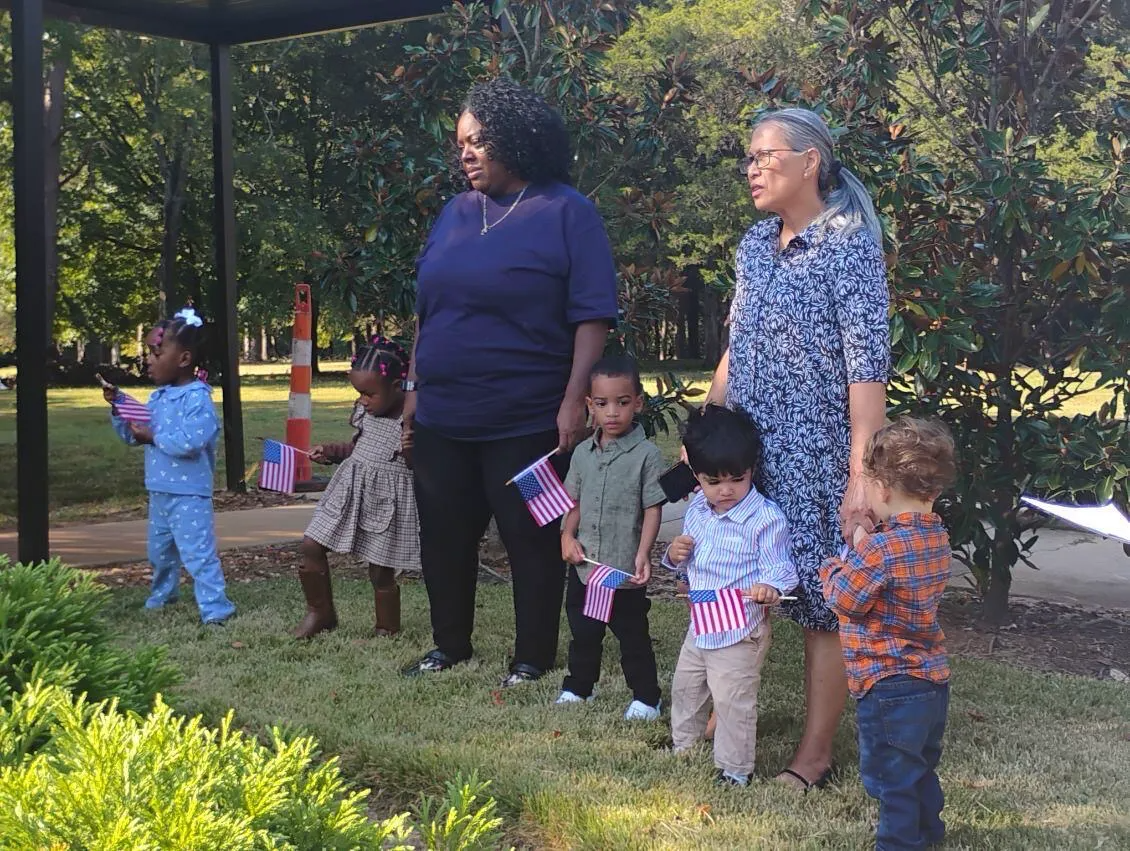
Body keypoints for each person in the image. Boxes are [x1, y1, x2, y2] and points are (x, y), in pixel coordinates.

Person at [400, 78, 619, 686]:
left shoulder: (567, 212)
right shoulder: (454, 213)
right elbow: (427, 310)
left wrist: (574, 400)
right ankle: (449, 645)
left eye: (478, 141)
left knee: (530, 540)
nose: (465, 153)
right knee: (443, 537)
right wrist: (416, 388)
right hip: (444, 412)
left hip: (525, 416)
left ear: (516, 140)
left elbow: (592, 314)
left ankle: (531, 656)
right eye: (461, 143)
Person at [703, 107, 889, 790]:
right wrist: (708, 422)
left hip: (816, 457)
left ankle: (814, 753)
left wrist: (859, 473)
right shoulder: (755, 243)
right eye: (747, 158)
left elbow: (867, 368)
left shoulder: (849, 245)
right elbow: (737, 338)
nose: (752, 169)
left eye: (765, 156)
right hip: (749, 451)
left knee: (819, 602)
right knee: (738, 578)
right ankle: (726, 715)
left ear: (810, 161)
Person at [820, 418, 955, 849]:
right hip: (931, 682)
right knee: (918, 767)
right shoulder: (938, 538)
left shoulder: (880, 549)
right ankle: (929, 833)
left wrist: (836, 567)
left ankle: (898, 843)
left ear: (881, 489)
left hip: (887, 682)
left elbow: (846, 600)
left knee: (888, 776)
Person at [664, 405, 798, 787]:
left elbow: (781, 566)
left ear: (751, 470)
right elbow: (684, 563)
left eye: (737, 479)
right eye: (713, 481)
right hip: (701, 622)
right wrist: (673, 556)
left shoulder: (764, 518)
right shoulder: (697, 512)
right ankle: (683, 745)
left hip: (739, 628)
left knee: (732, 700)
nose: (726, 490)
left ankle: (734, 769)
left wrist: (770, 587)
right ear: (697, 478)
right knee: (686, 689)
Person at [105, 307, 236, 625]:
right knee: (160, 552)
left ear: (183, 359)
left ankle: (216, 607)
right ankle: (163, 594)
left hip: (189, 494)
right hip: (159, 491)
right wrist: (118, 407)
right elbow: (134, 436)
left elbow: (190, 441)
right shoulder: (158, 397)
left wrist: (154, 436)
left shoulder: (198, 399)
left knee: (197, 553)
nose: (148, 360)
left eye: (156, 352)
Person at [557, 355, 665, 721]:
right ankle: (579, 687)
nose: (613, 413)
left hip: (622, 567)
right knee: (585, 631)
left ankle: (647, 698)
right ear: (590, 405)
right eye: (602, 404)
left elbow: (652, 507)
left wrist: (644, 553)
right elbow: (573, 501)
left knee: (632, 635)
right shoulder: (582, 455)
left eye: (622, 402)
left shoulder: (647, 455)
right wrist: (567, 536)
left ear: (638, 402)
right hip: (586, 565)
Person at [292, 338, 418, 639]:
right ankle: (320, 612)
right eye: (359, 393)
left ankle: (386, 627)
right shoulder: (367, 412)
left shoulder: (410, 422)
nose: (362, 400)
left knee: (380, 569)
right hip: (348, 492)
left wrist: (413, 450)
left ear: (398, 386)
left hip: (386, 502)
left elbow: (421, 467)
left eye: (369, 394)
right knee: (311, 544)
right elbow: (359, 448)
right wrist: (333, 451)